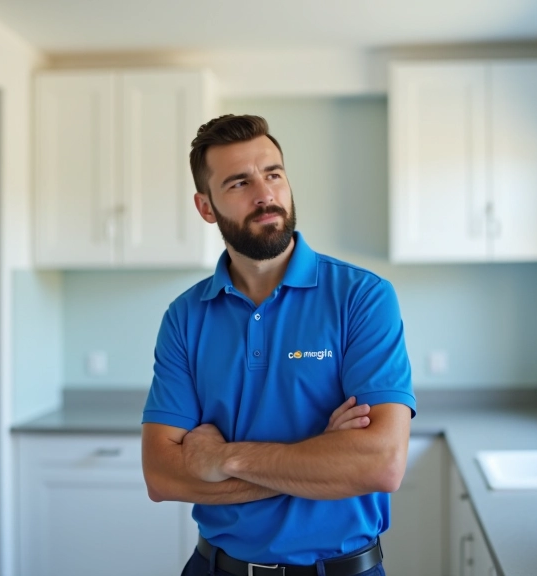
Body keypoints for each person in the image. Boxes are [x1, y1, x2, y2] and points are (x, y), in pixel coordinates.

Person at [141, 114, 416, 576]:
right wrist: (320, 460)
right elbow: (162, 475)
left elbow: (381, 464)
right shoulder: (185, 318)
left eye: (273, 174)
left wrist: (224, 458)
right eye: (239, 183)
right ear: (206, 207)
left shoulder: (362, 297)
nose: (265, 194)